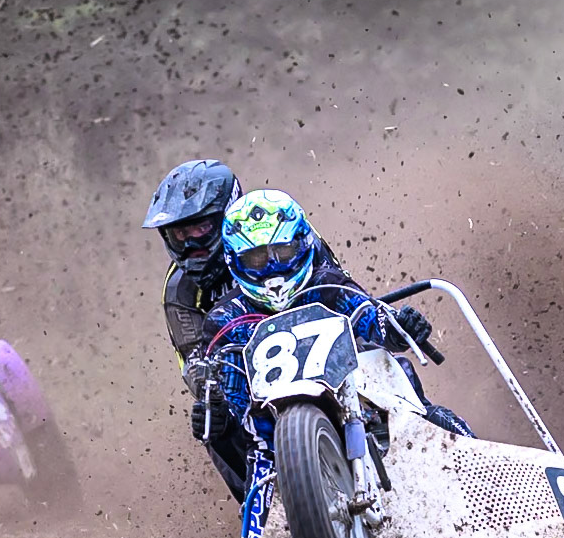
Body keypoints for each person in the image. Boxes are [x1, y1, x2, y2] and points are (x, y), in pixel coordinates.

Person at [198, 188, 473, 451]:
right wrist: (216, 414)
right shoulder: (225, 319)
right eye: (257, 259)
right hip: (273, 442)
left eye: (282, 253)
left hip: (361, 399)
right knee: (234, 454)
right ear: (234, 261)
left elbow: (372, 320)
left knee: (430, 418)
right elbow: (232, 402)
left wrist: (401, 326)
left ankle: (472, 453)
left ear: (302, 243)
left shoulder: (329, 285)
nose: (272, 268)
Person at [143, 160, 340, 501]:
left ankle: (422, 433)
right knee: (211, 420)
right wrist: (213, 392)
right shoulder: (180, 289)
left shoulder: (288, 234)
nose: (191, 245)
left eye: (200, 228)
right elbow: (194, 362)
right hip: (249, 379)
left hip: (322, 344)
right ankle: (267, 509)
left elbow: (338, 290)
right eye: (180, 235)